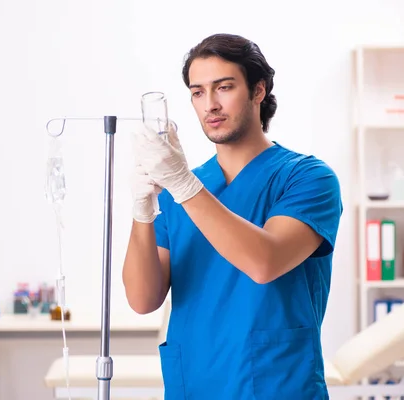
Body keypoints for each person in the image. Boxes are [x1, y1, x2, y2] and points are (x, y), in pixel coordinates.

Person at [123, 33, 343, 399]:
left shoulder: (307, 177)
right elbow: (143, 299)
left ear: (258, 90)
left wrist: (183, 185)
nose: (210, 104)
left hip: (276, 385)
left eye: (223, 87)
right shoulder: (181, 191)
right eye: (197, 92)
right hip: (194, 383)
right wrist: (142, 209)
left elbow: (265, 262)